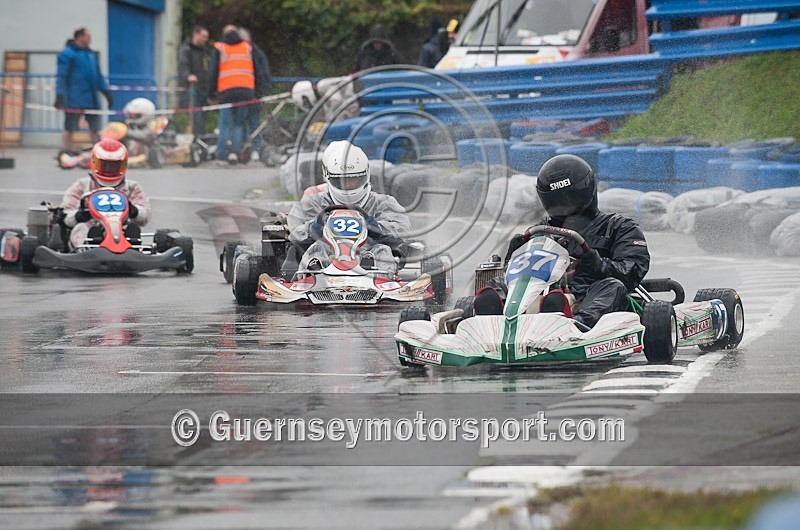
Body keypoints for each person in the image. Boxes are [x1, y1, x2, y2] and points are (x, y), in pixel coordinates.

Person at [473, 154, 650, 329]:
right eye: (556, 201)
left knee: (613, 286)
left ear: (586, 190)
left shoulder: (619, 227)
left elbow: (632, 271)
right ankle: (491, 319)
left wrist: (598, 264)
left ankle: (576, 323)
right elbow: (518, 275)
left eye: (570, 199)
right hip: (541, 291)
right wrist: (512, 257)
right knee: (496, 285)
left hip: (588, 292)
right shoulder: (539, 231)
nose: (564, 206)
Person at [287, 141, 412, 274]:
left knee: (382, 251)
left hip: (367, 252)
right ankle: (312, 276)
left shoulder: (383, 203)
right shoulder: (313, 203)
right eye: (341, 179)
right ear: (330, 177)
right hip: (328, 255)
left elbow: (402, 230)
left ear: (365, 175)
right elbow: (294, 233)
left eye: (353, 179)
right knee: (316, 249)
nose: (347, 184)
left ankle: (380, 277)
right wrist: (313, 227)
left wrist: (375, 227)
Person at [61, 139, 150, 250]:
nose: (109, 169)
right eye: (105, 165)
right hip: (90, 229)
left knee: (133, 229)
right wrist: (80, 215)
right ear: (95, 163)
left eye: (114, 165)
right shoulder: (82, 186)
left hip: (120, 230)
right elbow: (65, 217)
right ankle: (87, 251)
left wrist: (133, 210)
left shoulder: (132, 187)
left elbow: (144, 218)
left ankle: (129, 251)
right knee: (82, 228)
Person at [208, 25, 269, 164]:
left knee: (224, 124)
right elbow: (258, 70)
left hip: (226, 91)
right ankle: (234, 154)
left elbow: (212, 72)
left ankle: (222, 155)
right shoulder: (248, 47)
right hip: (245, 92)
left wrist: (211, 94)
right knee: (238, 124)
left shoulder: (219, 47)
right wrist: (258, 92)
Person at [55, 28, 113, 149]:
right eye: (88, 36)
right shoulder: (67, 54)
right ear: (80, 37)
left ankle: (98, 152)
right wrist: (59, 94)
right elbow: (61, 76)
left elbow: (98, 76)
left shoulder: (91, 55)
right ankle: (66, 150)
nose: (90, 39)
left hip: (91, 98)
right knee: (69, 127)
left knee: (95, 128)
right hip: (74, 98)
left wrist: (106, 93)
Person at [238, 27, 272, 161]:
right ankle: (247, 151)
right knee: (245, 123)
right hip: (247, 93)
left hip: (252, 94)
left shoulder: (255, 53)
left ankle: (254, 150)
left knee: (252, 123)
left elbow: (262, 74)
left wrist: (260, 92)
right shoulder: (255, 52)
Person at [177, 25, 210, 137]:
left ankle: (200, 140)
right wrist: (188, 76)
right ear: (195, 34)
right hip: (190, 90)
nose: (205, 39)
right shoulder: (186, 48)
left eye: (206, 37)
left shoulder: (205, 51)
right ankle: (195, 140)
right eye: (203, 36)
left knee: (203, 118)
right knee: (195, 118)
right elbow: (182, 65)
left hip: (203, 90)